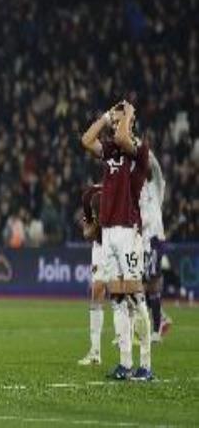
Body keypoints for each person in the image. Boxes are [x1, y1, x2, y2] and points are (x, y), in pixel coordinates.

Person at [81, 101, 153, 381]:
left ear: (131, 122)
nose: (115, 121)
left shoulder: (139, 149)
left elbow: (123, 137)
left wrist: (129, 111)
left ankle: (145, 365)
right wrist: (105, 116)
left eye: (119, 117)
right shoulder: (111, 150)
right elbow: (87, 140)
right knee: (118, 299)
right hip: (109, 230)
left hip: (128, 230)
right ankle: (125, 363)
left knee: (135, 295)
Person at [139, 150, 171, 342]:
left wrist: (148, 153)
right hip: (142, 242)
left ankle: (156, 330)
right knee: (143, 285)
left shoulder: (156, 187)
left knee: (150, 283)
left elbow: (157, 170)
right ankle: (158, 321)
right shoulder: (138, 189)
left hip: (155, 239)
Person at [78, 184, 106, 366]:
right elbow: (87, 233)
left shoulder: (122, 189)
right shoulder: (90, 195)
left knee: (126, 295)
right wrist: (94, 227)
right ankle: (95, 351)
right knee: (97, 293)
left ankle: (130, 351)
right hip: (101, 247)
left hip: (121, 243)